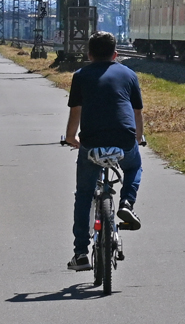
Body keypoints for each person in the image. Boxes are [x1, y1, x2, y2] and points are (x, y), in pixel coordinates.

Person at [64, 32, 145, 271]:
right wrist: (138, 139)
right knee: (133, 166)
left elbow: (75, 112)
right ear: (116, 54)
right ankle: (127, 204)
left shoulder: (80, 75)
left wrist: (70, 137)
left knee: (84, 194)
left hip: (91, 143)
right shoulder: (129, 74)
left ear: (89, 54)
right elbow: (137, 113)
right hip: (123, 140)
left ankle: (80, 254)